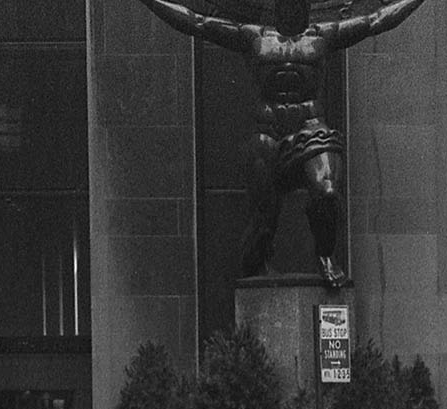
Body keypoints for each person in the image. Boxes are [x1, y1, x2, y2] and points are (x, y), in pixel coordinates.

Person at [129, 0, 431, 289]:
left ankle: (325, 256)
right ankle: (256, 264)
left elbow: (375, 21)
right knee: (263, 219)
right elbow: (197, 23)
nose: (292, 6)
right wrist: (151, 3)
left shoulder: (322, 36)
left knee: (326, 192)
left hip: (311, 128)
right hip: (268, 132)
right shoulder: (255, 37)